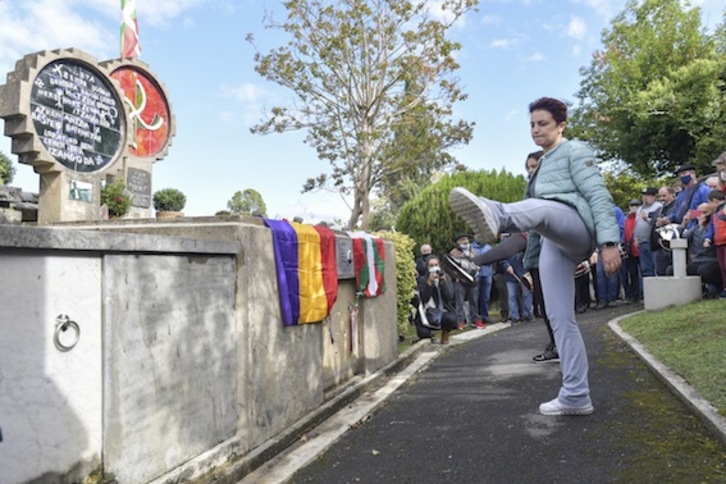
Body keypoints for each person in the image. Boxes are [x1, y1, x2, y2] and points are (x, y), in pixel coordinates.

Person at [449, 97, 621, 416]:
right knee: (559, 319)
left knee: (542, 209)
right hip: (552, 241)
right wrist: (487, 259)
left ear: (561, 125)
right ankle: (575, 394)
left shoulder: (574, 151)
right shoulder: (539, 165)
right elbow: (527, 233)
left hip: (576, 226)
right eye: (531, 124)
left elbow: (598, 194)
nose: (535, 130)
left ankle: (495, 212)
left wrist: (609, 241)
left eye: (542, 123)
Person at [415, 255, 458, 344]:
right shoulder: (423, 280)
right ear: (427, 267)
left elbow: (450, 296)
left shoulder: (446, 277)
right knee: (423, 333)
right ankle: (430, 335)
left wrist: (443, 283)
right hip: (428, 312)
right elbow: (424, 299)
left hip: (443, 310)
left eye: (436, 265)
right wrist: (429, 283)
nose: (434, 267)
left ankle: (445, 335)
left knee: (451, 319)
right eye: (431, 265)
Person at [445, 233, 484, 329]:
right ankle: (460, 322)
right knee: (459, 302)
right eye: (463, 240)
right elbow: (450, 268)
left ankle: (476, 320)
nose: (466, 241)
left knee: (474, 301)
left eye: (466, 239)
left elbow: (479, 263)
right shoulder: (453, 253)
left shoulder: (473, 251)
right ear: (458, 242)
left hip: (472, 280)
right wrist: (456, 277)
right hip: (460, 281)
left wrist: (476, 273)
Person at [668, 164, 710, 231]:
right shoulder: (681, 194)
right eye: (679, 175)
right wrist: (668, 218)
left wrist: (692, 214)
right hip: (681, 227)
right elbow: (676, 211)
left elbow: (709, 210)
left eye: (684, 173)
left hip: (696, 228)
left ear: (693, 173)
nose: (681, 176)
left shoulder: (704, 190)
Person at [633, 187, 662, 279]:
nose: (645, 198)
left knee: (655, 266)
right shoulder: (640, 209)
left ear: (653, 196)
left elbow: (656, 223)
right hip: (641, 242)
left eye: (648, 196)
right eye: (644, 195)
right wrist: (636, 237)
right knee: (645, 268)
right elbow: (636, 223)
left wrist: (647, 219)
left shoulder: (658, 207)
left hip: (652, 242)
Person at [703, 190, 726, 299]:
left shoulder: (724, 210)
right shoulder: (715, 214)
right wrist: (708, 238)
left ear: (715, 201)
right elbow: (711, 228)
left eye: (709, 202)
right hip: (719, 243)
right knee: (722, 267)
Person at [653, 186, 677, 275]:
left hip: (671, 245)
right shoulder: (661, 209)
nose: (662, 199)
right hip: (661, 245)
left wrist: (666, 221)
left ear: (672, 195)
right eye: (660, 196)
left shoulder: (676, 206)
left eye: (664, 196)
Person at [623, 199, 642, 303]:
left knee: (643, 271)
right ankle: (635, 295)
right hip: (630, 249)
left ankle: (643, 293)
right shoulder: (627, 219)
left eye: (636, 205)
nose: (634, 207)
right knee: (633, 274)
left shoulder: (640, 217)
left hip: (640, 248)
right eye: (632, 205)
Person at [471, 238, 494, 324]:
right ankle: (475, 317)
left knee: (486, 297)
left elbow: (492, 258)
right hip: (476, 275)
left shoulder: (488, 247)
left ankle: (485, 316)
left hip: (487, 274)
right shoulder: (471, 247)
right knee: (475, 297)